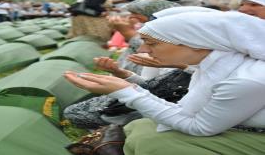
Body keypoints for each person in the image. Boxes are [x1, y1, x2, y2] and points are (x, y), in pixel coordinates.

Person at [65, 11, 265, 154]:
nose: (143, 49)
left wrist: (128, 92)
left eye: (152, 43)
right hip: (237, 127)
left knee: (156, 144)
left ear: (197, 43)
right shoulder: (217, 66)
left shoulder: (246, 79)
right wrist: (128, 87)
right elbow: (184, 110)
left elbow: (200, 127)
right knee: (140, 127)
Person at [63, 0, 181, 129]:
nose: (143, 49)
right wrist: (119, 73)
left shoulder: (194, 62)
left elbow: (192, 122)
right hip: (153, 98)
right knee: (76, 111)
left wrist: (126, 92)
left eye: (136, 13)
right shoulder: (159, 46)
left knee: (79, 113)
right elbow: (150, 84)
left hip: (165, 108)